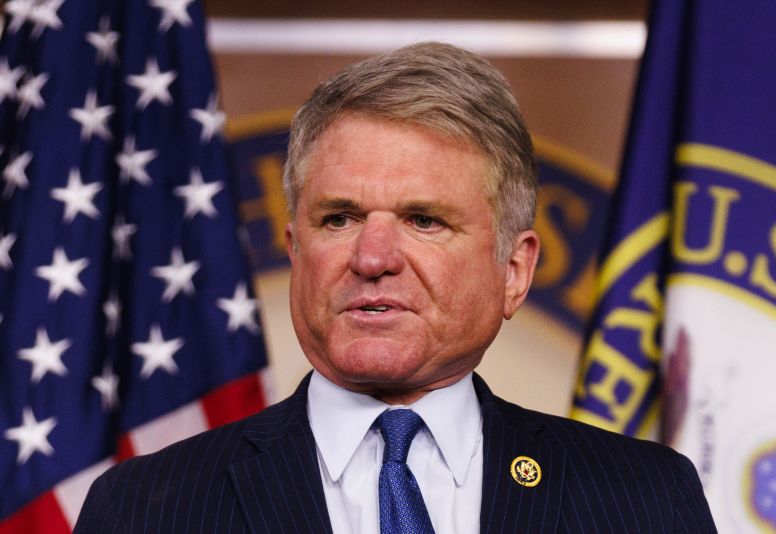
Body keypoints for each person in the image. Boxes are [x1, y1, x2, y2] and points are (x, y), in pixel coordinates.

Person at [75, 42, 716, 533]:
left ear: (514, 272)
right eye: (340, 218)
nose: (372, 257)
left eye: (423, 220)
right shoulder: (144, 510)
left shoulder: (643, 499)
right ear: (297, 252)